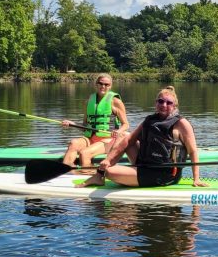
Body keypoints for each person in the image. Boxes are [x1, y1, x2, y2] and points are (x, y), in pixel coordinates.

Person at [79, 86, 208, 188]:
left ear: (174, 106)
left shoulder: (181, 124)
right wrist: (108, 160)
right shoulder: (149, 120)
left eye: (169, 103)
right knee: (124, 135)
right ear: (155, 103)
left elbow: (192, 151)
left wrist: (196, 178)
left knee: (110, 172)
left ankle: (104, 173)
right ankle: (99, 174)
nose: (164, 105)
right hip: (144, 164)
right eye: (161, 101)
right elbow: (129, 140)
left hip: (164, 173)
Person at [61, 73, 129, 167]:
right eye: (100, 83)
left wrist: (118, 131)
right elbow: (85, 126)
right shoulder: (89, 101)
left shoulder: (116, 101)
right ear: (96, 84)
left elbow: (126, 124)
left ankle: (88, 176)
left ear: (110, 86)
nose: (103, 86)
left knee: (84, 153)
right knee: (73, 143)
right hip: (90, 138)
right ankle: (64, 171)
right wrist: (72, 124)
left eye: (106, 84)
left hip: (108, 140)